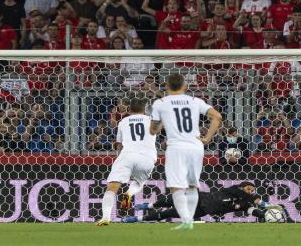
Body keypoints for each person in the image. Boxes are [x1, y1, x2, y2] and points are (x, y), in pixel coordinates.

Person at [150, 74, 222, 230]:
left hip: (177, 147)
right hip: (196, 147)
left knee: (176, 186)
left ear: (167, 86)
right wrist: (207, 138)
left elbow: (152, 130)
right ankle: (189, 219)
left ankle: (187, 220)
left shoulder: (160, 103)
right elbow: (217, 116)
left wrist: (162, 121)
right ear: (184, 86)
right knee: (192, 185)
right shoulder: (195, 101)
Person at [96, 98, 157, 226]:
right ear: (144, 110)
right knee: (138, 181)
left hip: (127, 155)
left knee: (112, 187)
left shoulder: (123, 121)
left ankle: (105, 218)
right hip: (147, 157)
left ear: (129, 110)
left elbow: (119, 144)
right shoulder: (151, 120)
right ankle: (129, 193)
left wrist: (119, 158)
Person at [122, 181, 284, 223]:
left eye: (252, 190)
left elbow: (250, 209)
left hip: (203, 210)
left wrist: (262, 214)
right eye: (249, 189)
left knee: (168, 214)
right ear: (243, 187)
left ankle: (136, 219)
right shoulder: (235, 189)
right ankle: (148, 205)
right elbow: (251, 199)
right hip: (201, 197)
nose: (250, 192)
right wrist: (267, 205)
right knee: (172, 199)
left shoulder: (245, 202)